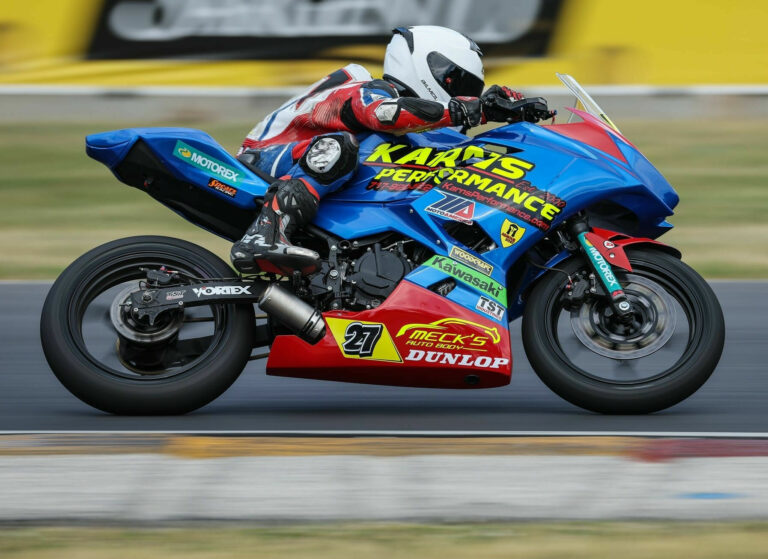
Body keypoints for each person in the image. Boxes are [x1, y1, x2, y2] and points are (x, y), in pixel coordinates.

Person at [230, 25, 526, 276]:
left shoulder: (406, 132)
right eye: (459, 84)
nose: (464, 96)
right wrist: (473, 110)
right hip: (265, 160)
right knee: (342, 146)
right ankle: (264, 233)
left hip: (305, 171)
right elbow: (385, 115)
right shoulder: (370, 89)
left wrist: (513, 115)